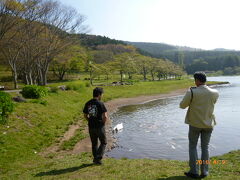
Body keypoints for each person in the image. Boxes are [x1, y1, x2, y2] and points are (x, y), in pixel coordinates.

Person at [179, 72, 219, 179]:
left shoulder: (192, 91)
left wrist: (189, 92)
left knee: (193, 147)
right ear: (205, 80)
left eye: (194, 79)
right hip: (209, 124)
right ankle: (205, 171)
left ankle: (194, 171)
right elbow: (212, 103)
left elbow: (182, 106)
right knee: (205, 147)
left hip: (195, 124)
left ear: (197, 80)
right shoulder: (215, 92)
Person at [83, 87, 108, 165]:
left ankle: (95, 159)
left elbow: (85, 115)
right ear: (99, 94)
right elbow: (105, 116)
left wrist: (89, 121)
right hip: (99, 126)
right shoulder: (100, 103)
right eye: (102, 94)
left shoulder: (88, 103)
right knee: (104, 142)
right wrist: (103, 123)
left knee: (94, 143)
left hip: (91, 127)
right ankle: (98, 158)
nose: (102, 96)